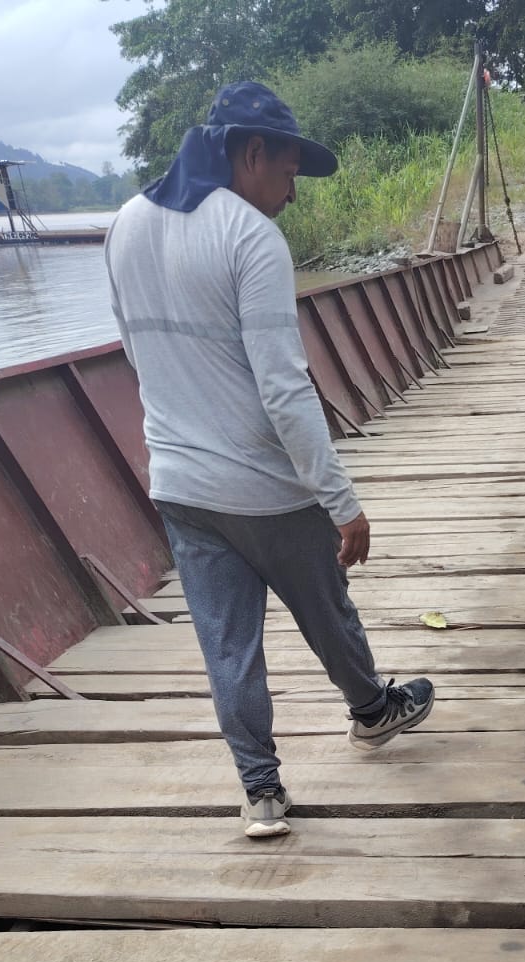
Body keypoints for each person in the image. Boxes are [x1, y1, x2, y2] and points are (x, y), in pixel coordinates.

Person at [105, 82, 433, 839]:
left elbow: (134, 352)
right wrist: (342, 502)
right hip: (265, 487)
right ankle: (373, 711)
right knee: (326, 608)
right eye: (288, 173)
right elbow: (286, 391)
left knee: (228, 645)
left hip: (180, 484)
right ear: (251, 153)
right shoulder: (249, 237)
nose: (291, 194)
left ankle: (261, 792)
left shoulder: (124, 224)